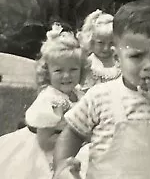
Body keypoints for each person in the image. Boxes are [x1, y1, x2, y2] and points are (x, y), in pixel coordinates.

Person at [53, 0, 150, 179]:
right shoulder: (100, 95)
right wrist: (62, 166)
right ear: (117, 57)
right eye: (137, 56)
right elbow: (72, 133)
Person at [0, 23, 89, 179]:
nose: (66, 76)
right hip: (48, 151)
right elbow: (45, 141)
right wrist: (78, 141)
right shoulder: (51, 100)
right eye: (58, 71)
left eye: (73, 70)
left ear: (82, 69)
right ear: (47, 73)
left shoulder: (79, 94)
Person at [77, 9, 121, 91]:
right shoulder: (89, 64)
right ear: (91, 41)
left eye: (111, 43)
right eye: (100, 43)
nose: (106, 48)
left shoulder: (119, 62)